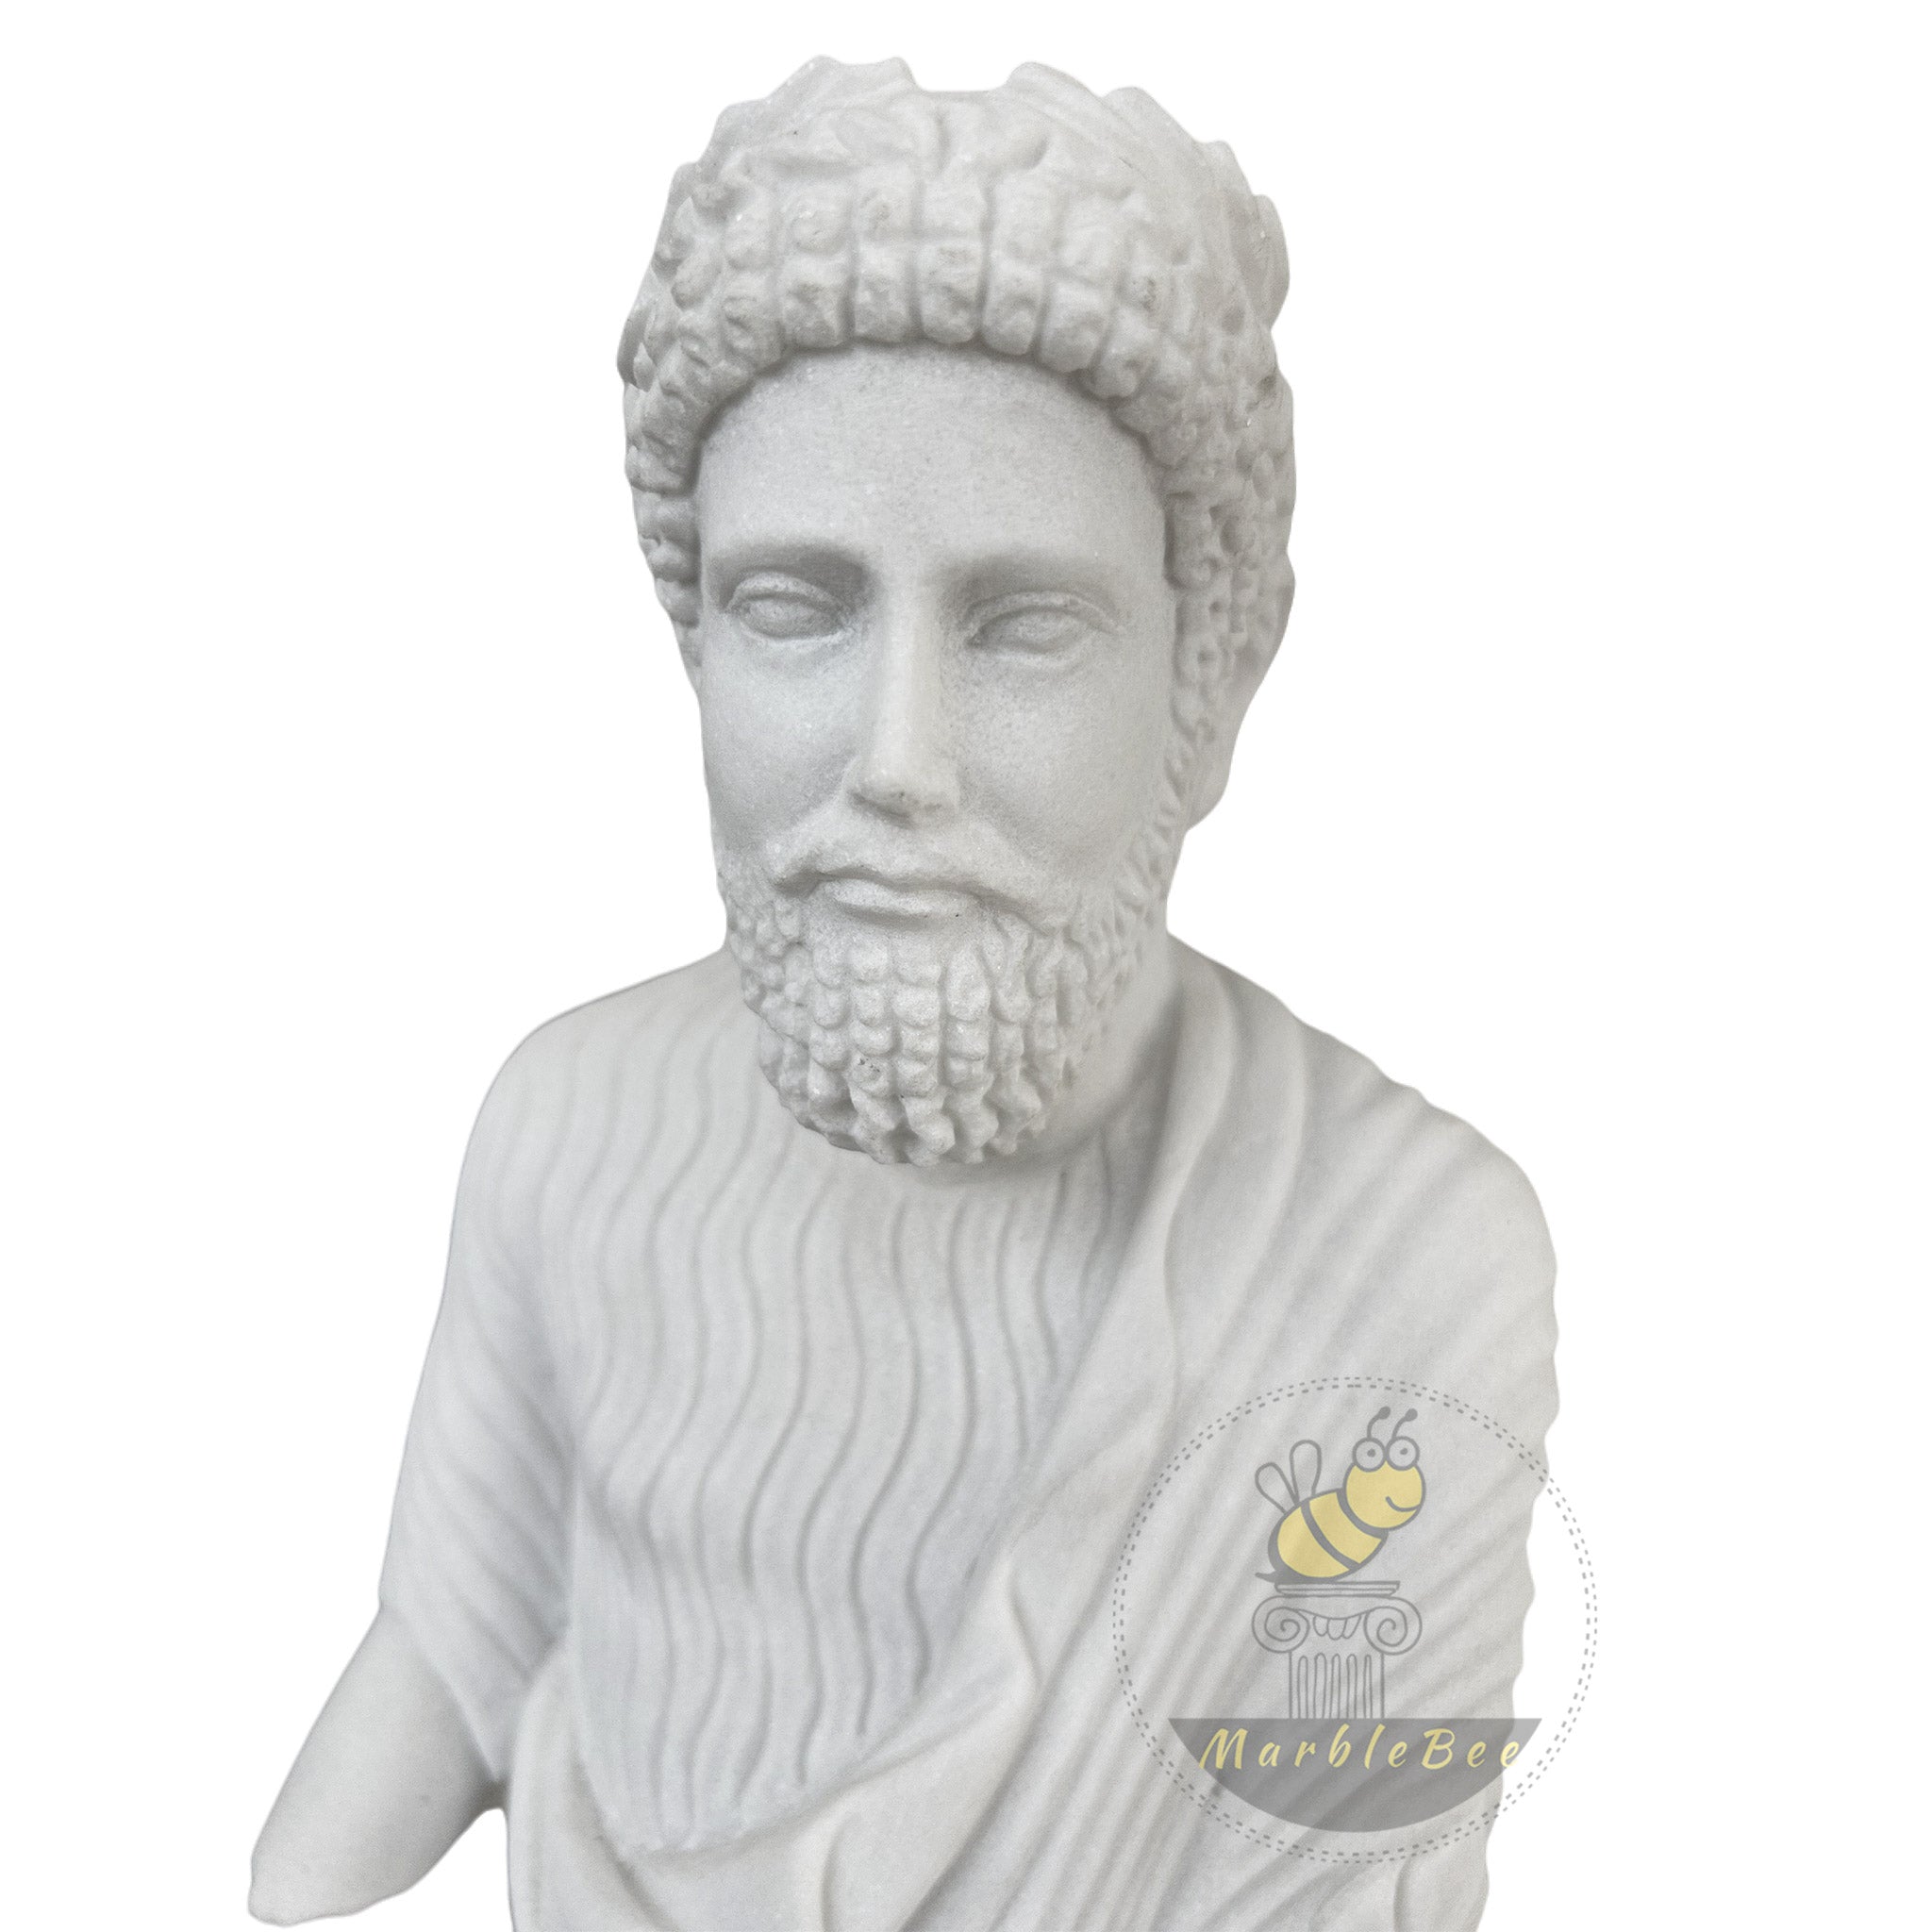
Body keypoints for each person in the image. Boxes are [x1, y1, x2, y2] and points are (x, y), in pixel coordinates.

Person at [253, 58, 1556, 1931]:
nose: (896, 760)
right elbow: (447, 1654)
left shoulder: (1401, 1258)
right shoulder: (568, 1121)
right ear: (695, 646)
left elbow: (1349, 1883)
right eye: (797, 608)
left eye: (1023, 626)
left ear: (1208, 683)